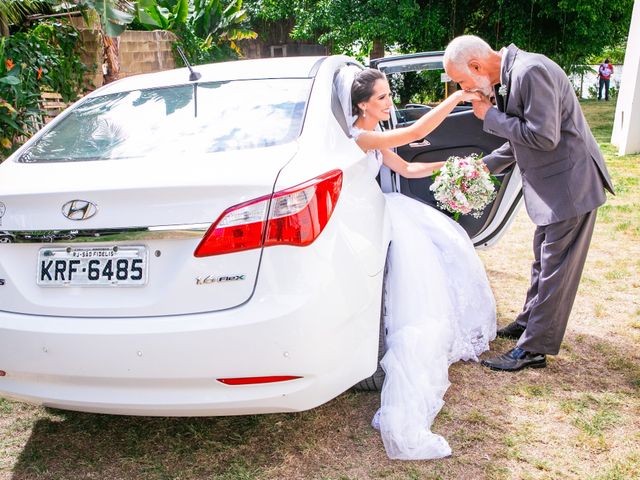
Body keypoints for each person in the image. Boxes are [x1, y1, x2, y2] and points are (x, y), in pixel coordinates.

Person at [335, 66, 496, 460]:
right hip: (368, 216)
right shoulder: (360, 136)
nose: (390, 104)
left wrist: (455, 166)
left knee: (434, 259)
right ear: (361, 105)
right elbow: (411, 135)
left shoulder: (373, 137)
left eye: (389, 95)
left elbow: (405, 167)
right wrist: (458, 97)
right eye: (382, 98)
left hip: (387, 210)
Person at [443, 35, 614, 372]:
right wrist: (479, 168)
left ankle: (534, 349)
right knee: (542, 259)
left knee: (555, 270)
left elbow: (542, 136)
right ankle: (527, 322)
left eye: (461, 81)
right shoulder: (513, 74)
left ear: (476, 66)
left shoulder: (530, 71)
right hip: (554, 188)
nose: (463, 89)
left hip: (570, 185)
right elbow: (518, 142)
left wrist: (489, 115)